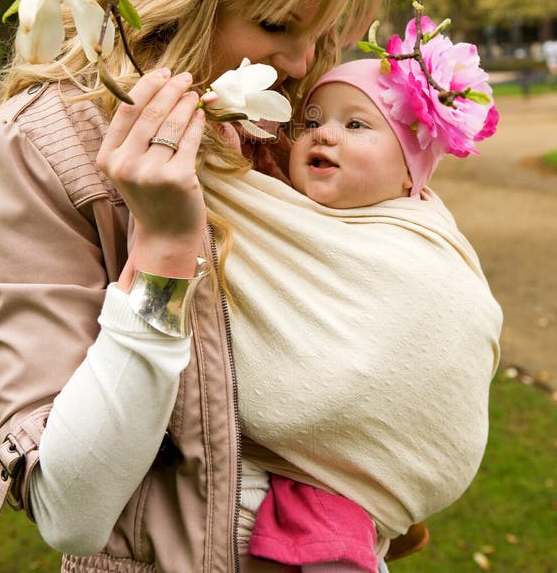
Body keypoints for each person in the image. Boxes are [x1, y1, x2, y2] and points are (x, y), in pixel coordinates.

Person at [0, 0, 394, 573]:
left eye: (318, 34)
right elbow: (67, 510)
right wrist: (164, 254)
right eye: (275, 25)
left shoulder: (272, 129)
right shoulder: (40, 147)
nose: (301, 65)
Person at [199, 32, 502, 573]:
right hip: (310, 489)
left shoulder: (422, 234)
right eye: (311, 122)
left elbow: (457, 323)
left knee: (320, 538)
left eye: (355, 124)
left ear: (410, 170)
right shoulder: (277, 214)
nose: (325, 135)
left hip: (355, 488)